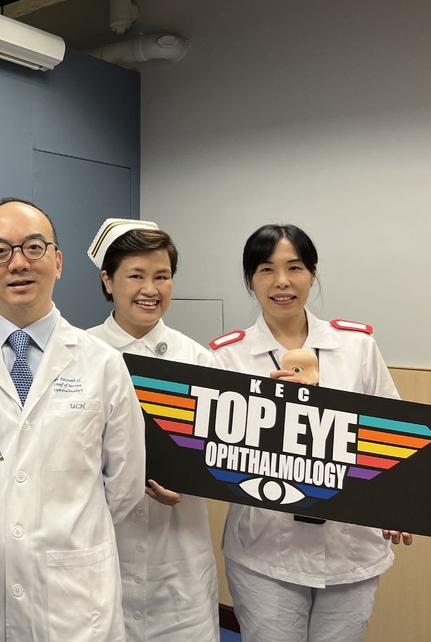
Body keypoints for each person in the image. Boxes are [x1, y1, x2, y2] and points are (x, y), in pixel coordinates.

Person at [0, 198, 146, 642]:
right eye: (0, 251)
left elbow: (124, 487)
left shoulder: (102, 363)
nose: (18, 263)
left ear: (58, 262)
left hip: (72, 602)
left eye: (34, 248)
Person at [209, 223, 411, 642]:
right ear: (250, 279)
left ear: (313, 274)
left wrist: (397, 504)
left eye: (295, 267)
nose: (282, 281)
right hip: (265, 549)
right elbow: (214, 451)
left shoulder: (356, 346)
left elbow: (391, 435)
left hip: (350, 546)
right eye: (266, 269)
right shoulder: (225, 358)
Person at [85, 218, 219, 642]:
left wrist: (192, 482)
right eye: (135, 276)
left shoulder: (199, 361)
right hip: (102, 550)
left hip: (179, 558)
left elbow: (221, 454)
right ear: (108, 280)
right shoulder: (78, 355)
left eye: (162, 276)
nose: (150, 289)